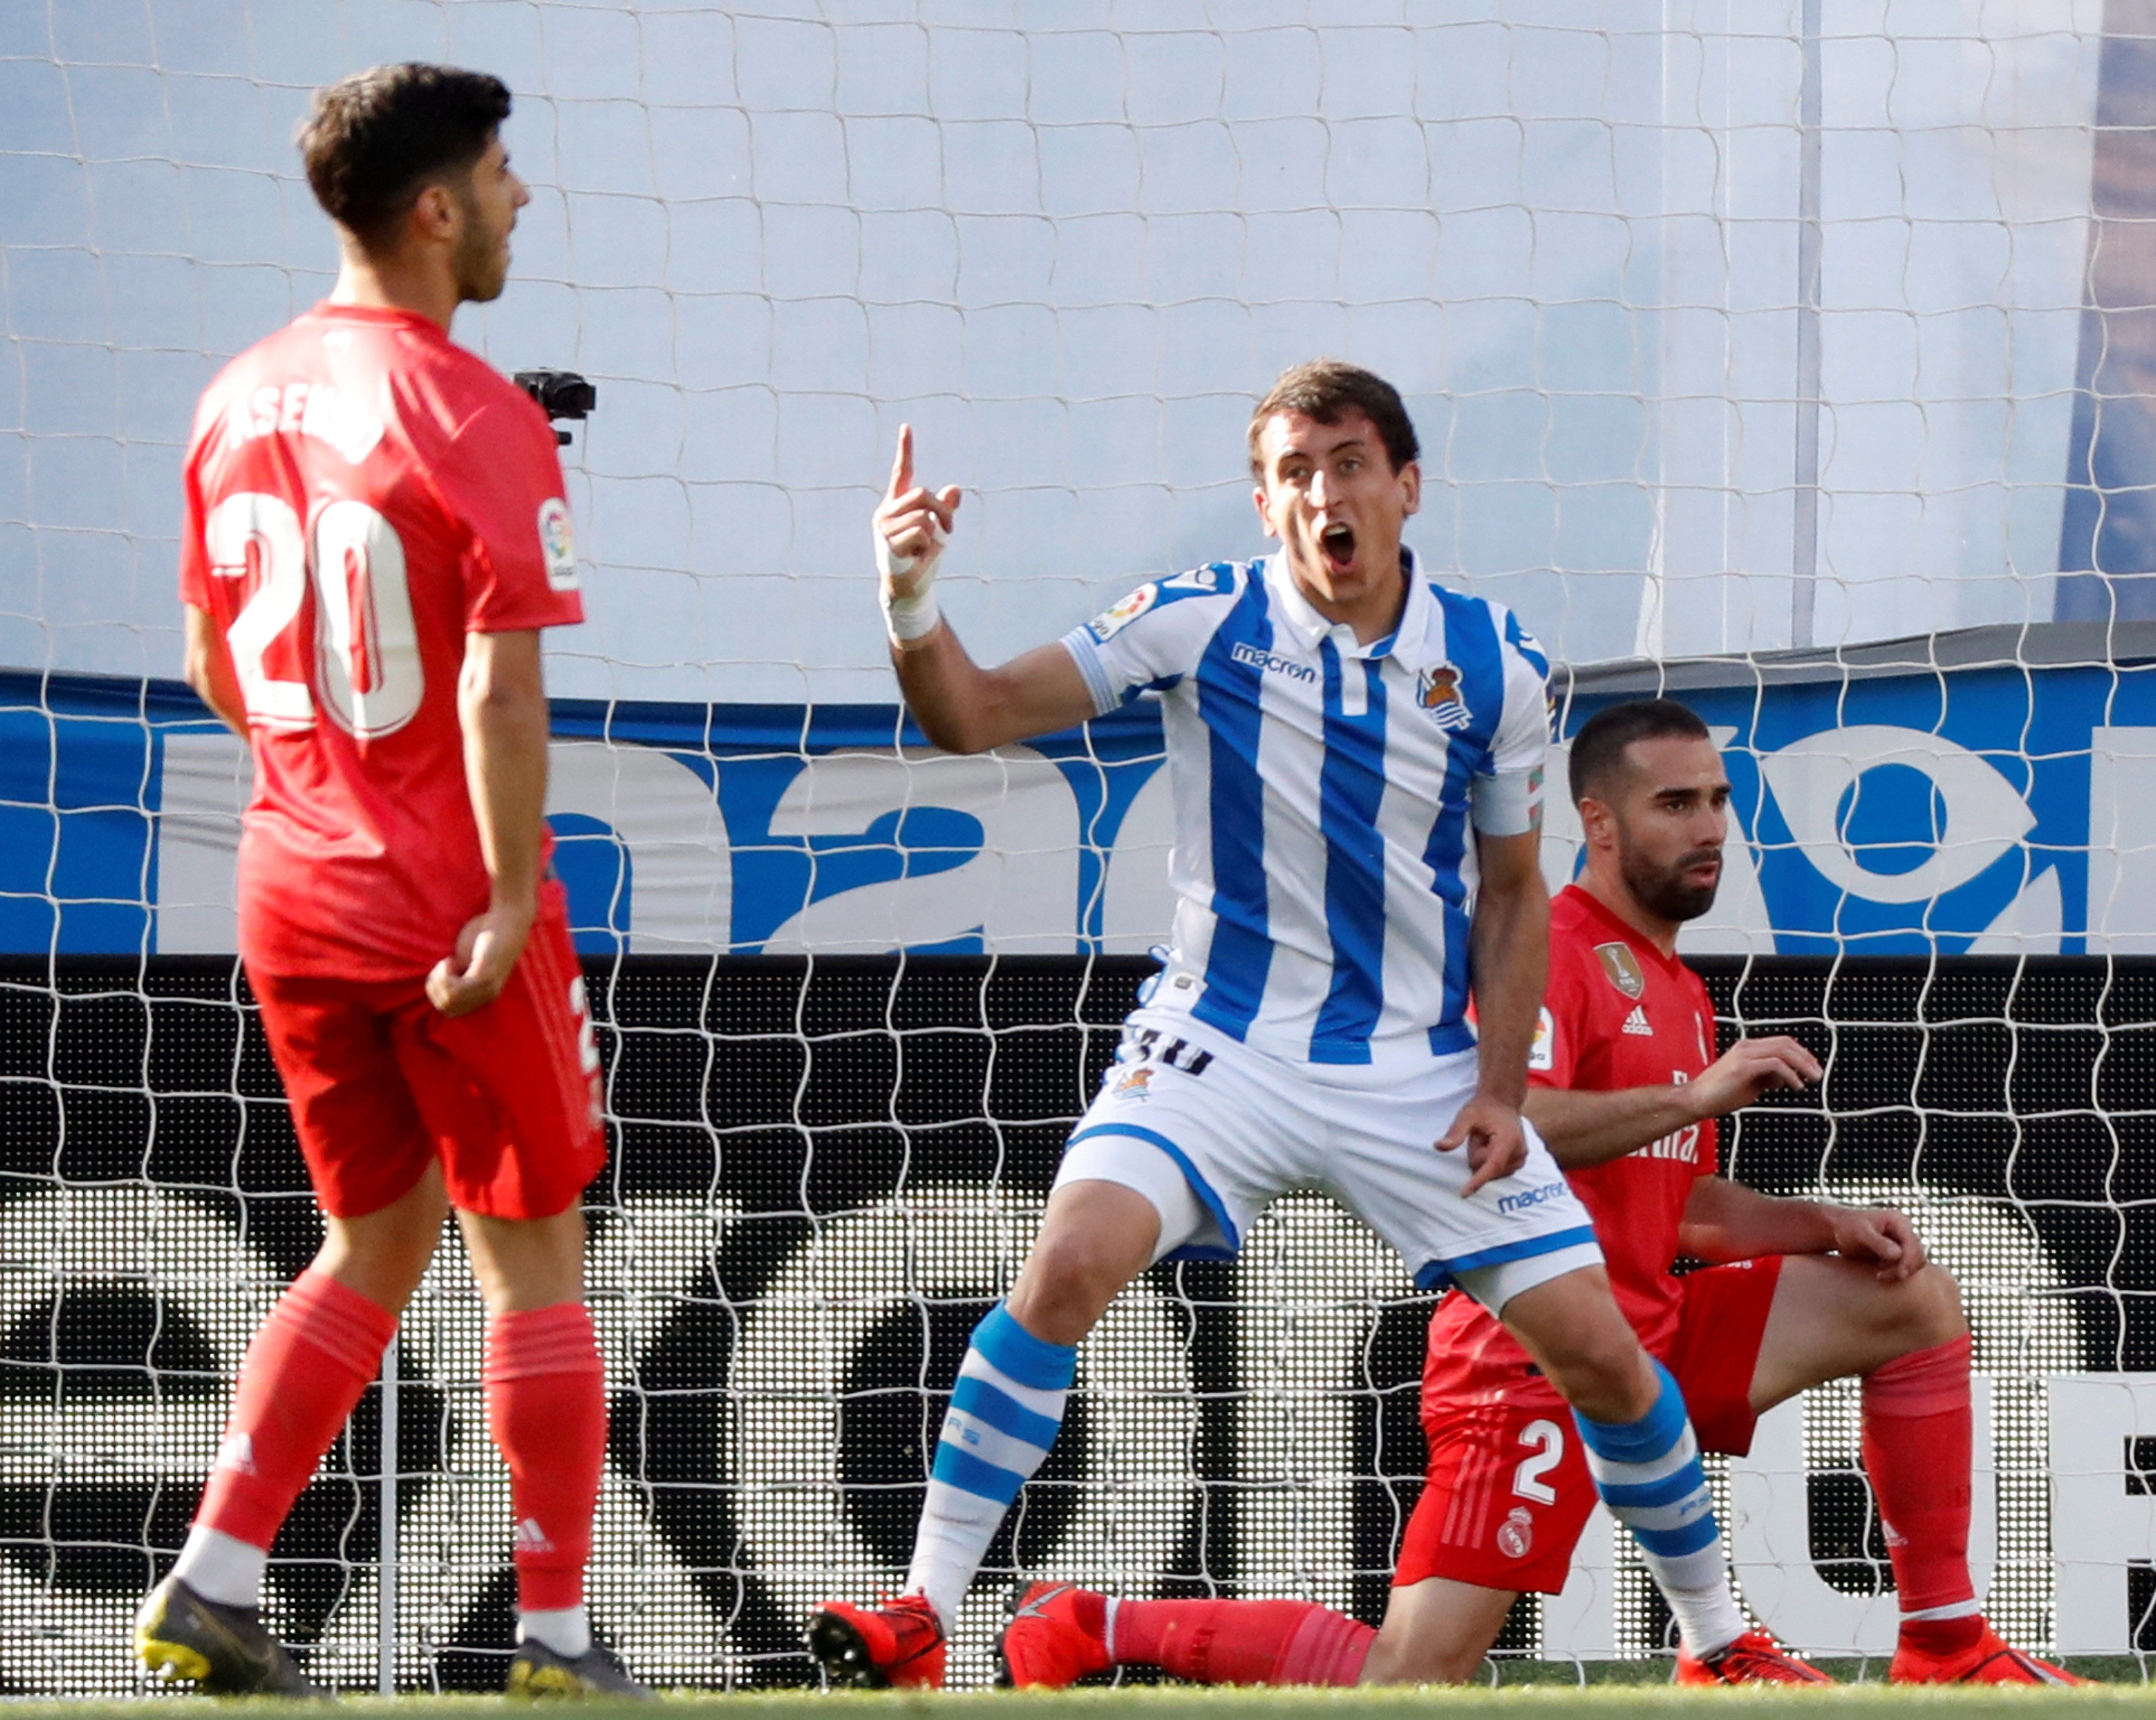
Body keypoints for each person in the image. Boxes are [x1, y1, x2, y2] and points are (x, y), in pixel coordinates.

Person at [806, 364, 1820, 1690]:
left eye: (1347, 464)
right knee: (1067, 1264)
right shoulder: (1201, 620)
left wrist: (1506, 1089)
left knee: (1605, 1356)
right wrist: (911, 595)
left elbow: (1515, 892)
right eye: (1294, 471)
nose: (1323, 495)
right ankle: (924, 1612)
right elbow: (973, 712)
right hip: (1218, 1045)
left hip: (1414, 1072)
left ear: (1405, 486)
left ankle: (1718, 1643)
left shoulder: (1496, 664)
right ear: (1264, 500)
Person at [996, 697, 2087, 1688]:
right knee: (1413, 1676)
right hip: (1536, 1359)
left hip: (1652, 1328)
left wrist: (1822, 1222)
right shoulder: (1552, 946)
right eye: (1674, 804)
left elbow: (1681, 1199)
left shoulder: (1677, 983)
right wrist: (1692, 1090)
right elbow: (1505, 1128)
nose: (1709, 826)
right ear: (1598, 823)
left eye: (1717, 800)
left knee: (1912, 1299)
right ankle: (1094, 1621)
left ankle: (1944, 1642)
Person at [133, 63, 643, 1698]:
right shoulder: (469, 408)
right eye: (501, 173)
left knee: (373, 1231)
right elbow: (499, 689)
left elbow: (215, 652)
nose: (519, 198)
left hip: (292, 884)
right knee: (534, 1252)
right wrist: (499, 893)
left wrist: (330, 784)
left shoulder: (237, 393)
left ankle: (213, 1574)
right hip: (448, 905)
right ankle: (557, 1636)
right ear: (436, 207)